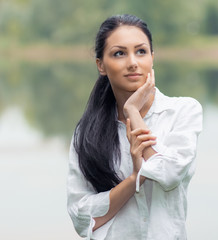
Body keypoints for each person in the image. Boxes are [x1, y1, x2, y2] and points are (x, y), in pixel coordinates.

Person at [66, 14, 203, 240]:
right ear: (101, 65)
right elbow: (81, 217)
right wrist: (133, 180)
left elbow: (170, 173)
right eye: (119, 53)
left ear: (152, 58)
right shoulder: (86, 133)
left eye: (141, 51)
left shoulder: (183, 111)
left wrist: (132, 112)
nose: (132, 62)